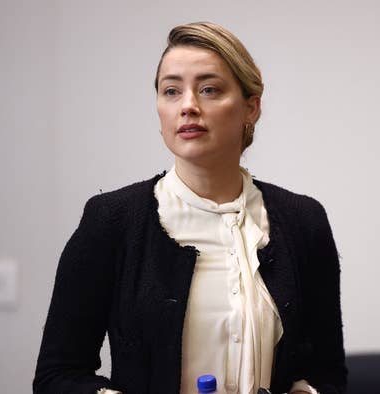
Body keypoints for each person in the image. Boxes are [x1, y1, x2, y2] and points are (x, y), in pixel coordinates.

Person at [33, 21, 346, 394]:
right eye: (171, 91)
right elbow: (57, 376)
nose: (188, 106)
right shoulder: (112, 220)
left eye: (209, 89)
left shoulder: (303, 221)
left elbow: (328, 373)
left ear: (251, 108)